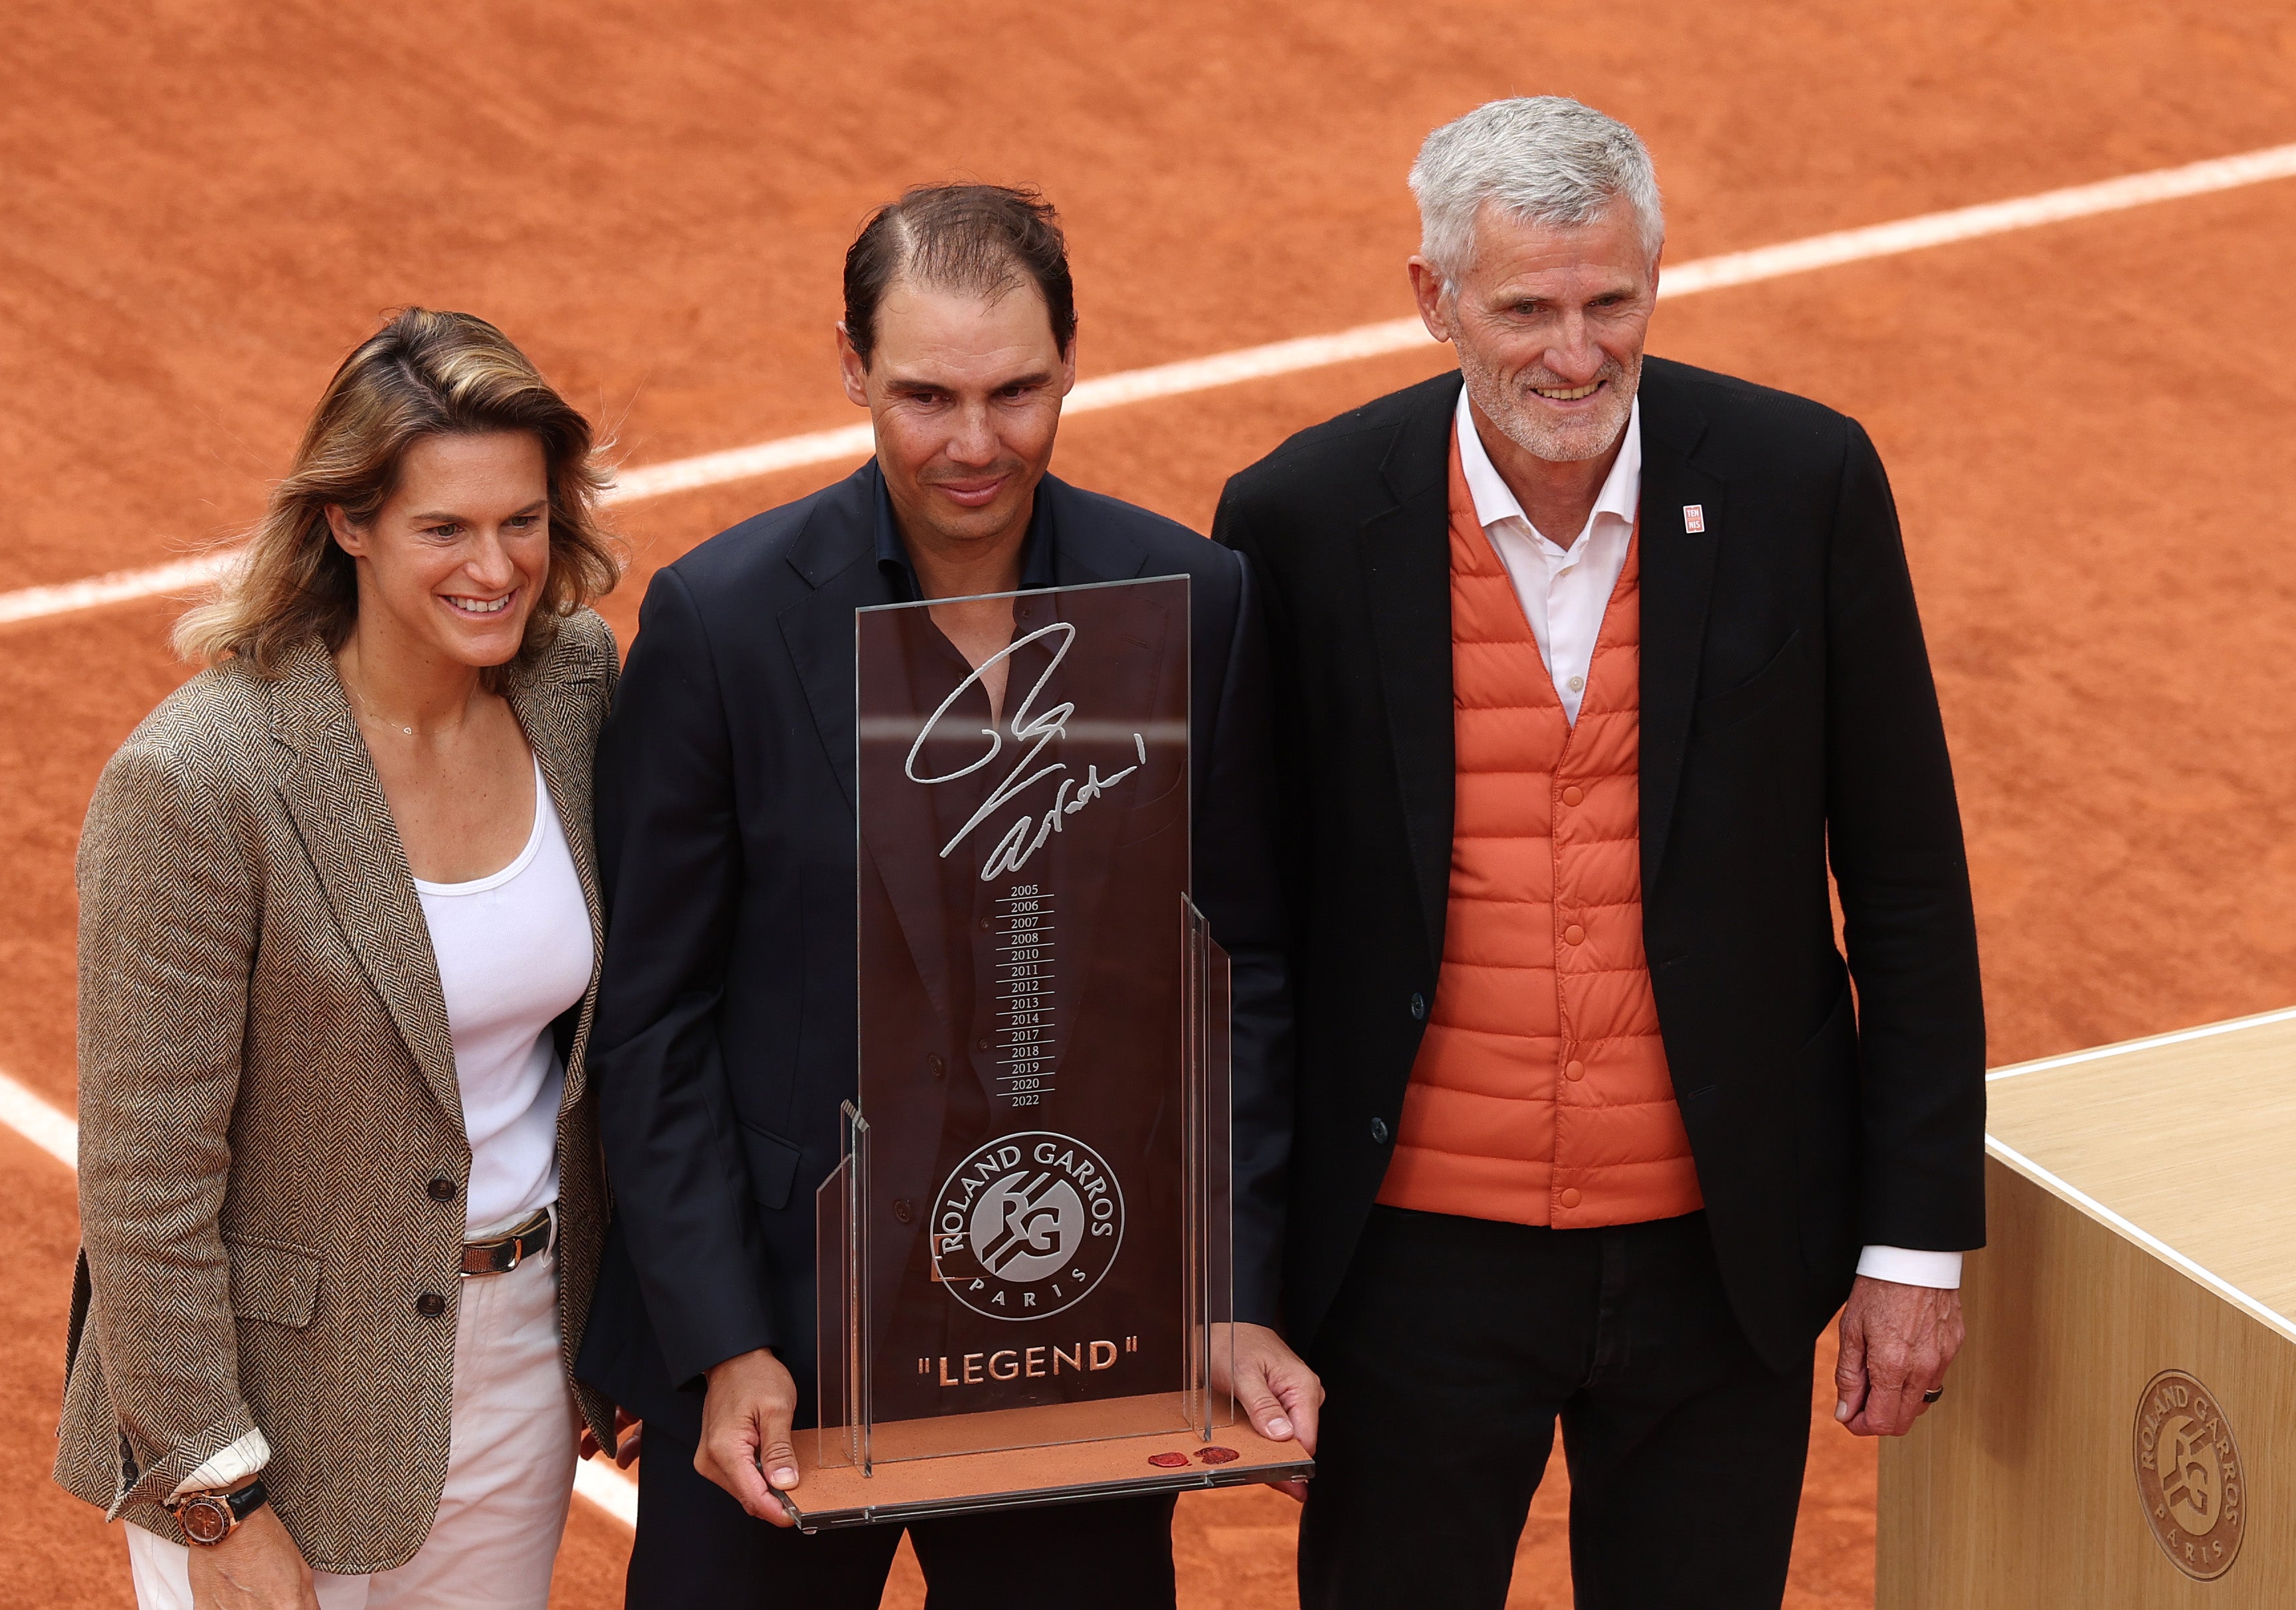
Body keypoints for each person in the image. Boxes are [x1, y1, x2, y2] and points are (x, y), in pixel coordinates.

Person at [1210, 98, 1986, 1607]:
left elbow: (1906, 882)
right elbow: (1246, 933)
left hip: (1721, 1259)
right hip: (1409, 1274)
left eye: (1610, 303)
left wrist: (1913, 1247)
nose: (1576, 356)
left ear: (1655, 277)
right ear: (1433, 298)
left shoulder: (1802, 483)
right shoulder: (1297, 519)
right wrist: (1238, 1284)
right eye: (1526, 311)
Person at [579, 183, 1316, 1609]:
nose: (975, 446)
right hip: (785, 1347)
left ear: (1071, 362)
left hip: (1074, 1317)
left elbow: (1243, 974)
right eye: (925, 395)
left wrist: (1226, 1296)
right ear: (851, 366)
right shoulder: (722, 622)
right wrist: (722, 1338)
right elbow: (653, 1017)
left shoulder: (1195, 601)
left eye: (1014, 392)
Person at [52, 308, 626, 1610]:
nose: (496, 568)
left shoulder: (572, 685)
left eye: (523, 521)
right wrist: (213, 1494)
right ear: (347, 523)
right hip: (281, 1400)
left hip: (522, 1360)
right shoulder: (199, 780)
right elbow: (143, 1177)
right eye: (445, 529)